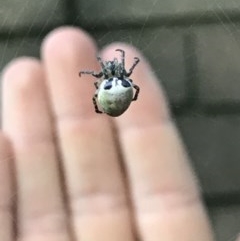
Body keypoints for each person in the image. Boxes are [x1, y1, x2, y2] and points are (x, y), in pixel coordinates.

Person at [0, 26, 218, 241]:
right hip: (116, 92)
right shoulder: (120, 78)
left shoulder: (107, 78)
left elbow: (105, 77)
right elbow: (125, 80)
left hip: (113, 93)